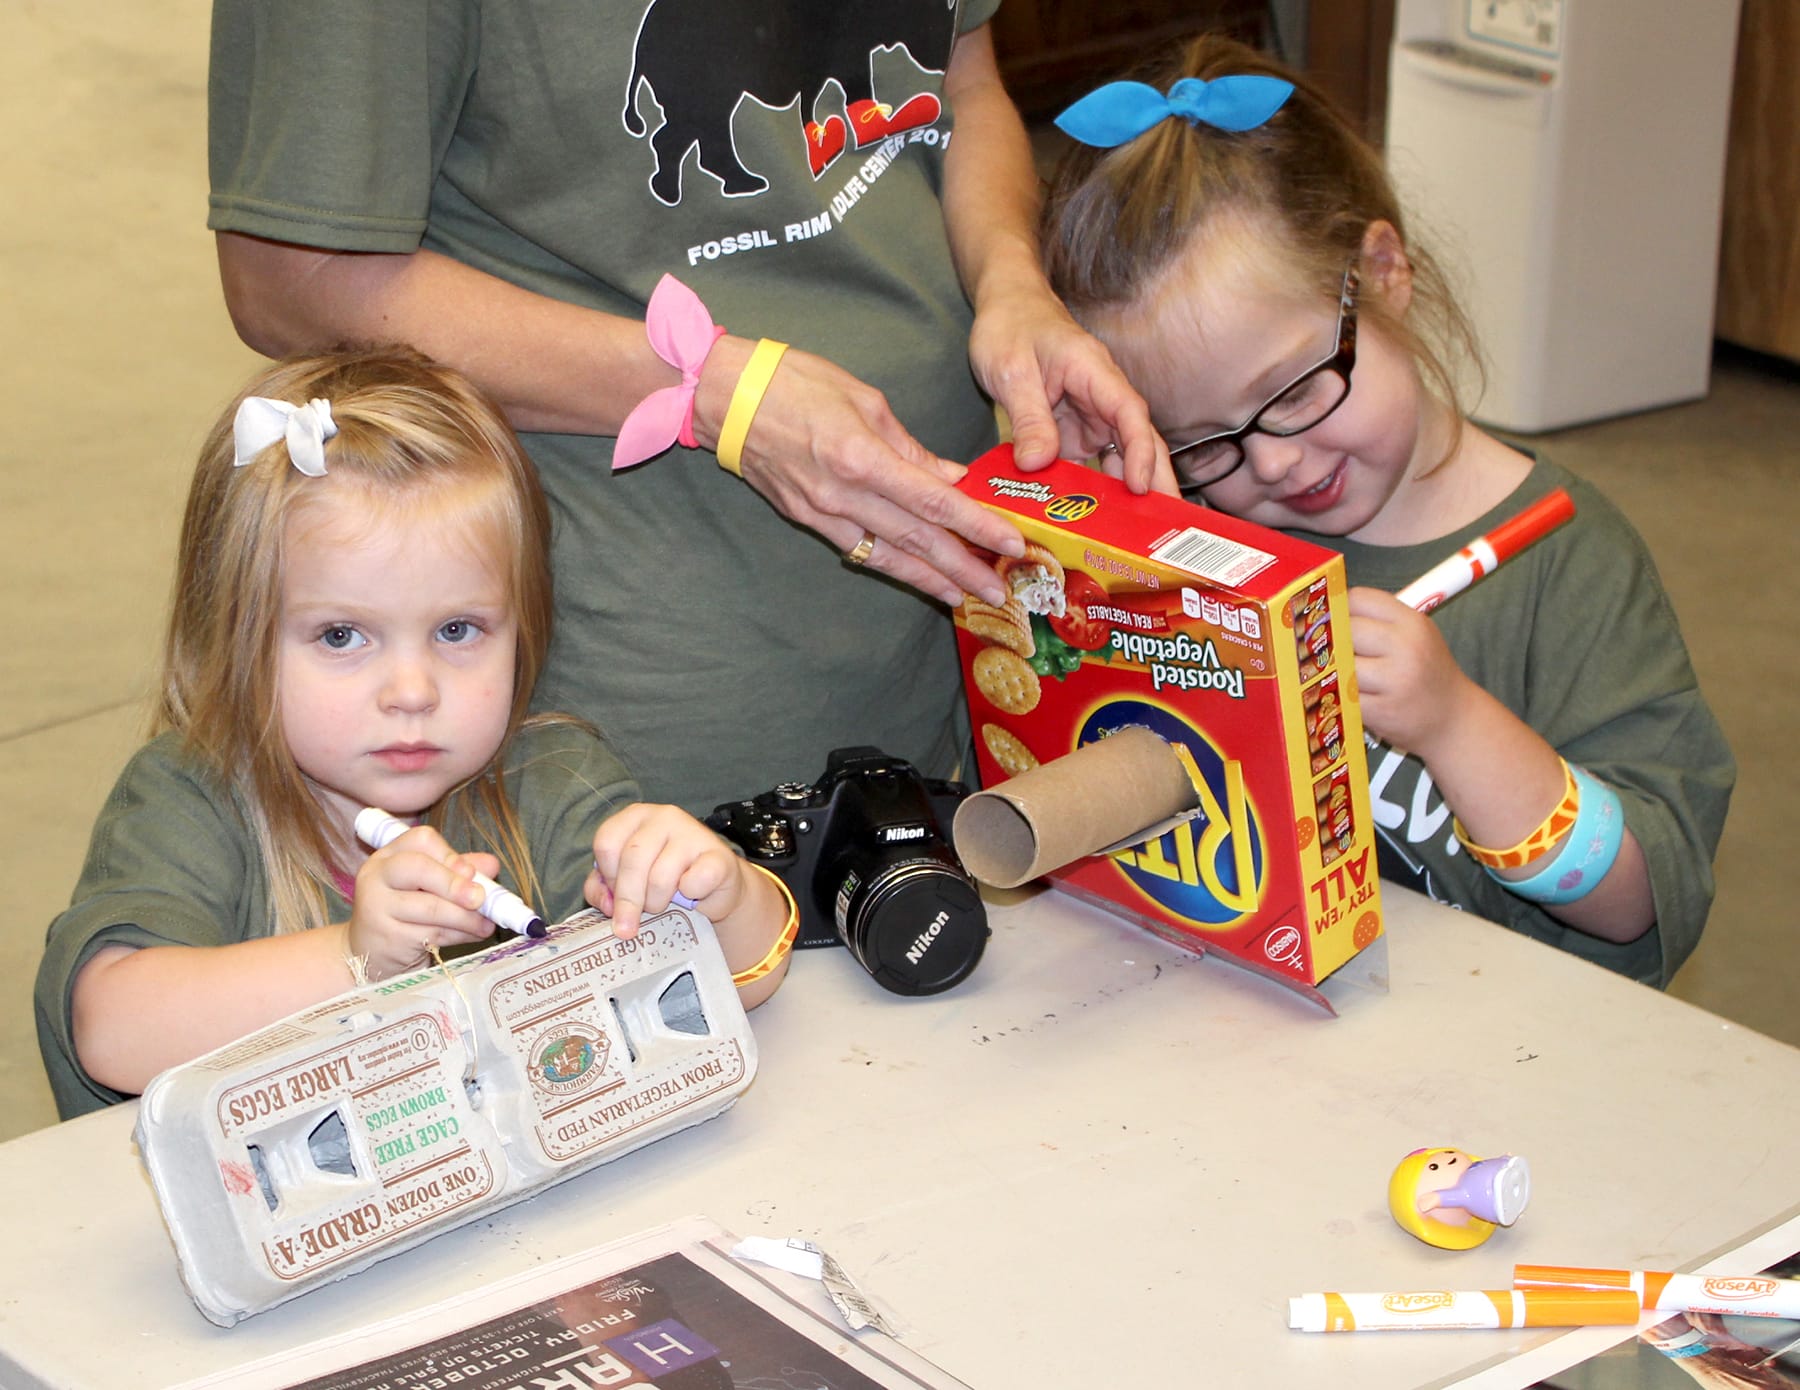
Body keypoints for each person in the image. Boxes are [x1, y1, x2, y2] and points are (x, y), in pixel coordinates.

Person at [205, 1, 1170, 816]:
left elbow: (955, 76)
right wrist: (712, 389)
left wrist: (1013, 281)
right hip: (644, 702)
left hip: (941, 641)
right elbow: (293, 277)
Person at [1038, 35, 1734, 986]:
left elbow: (1643, 902)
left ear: (1385, 271)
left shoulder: (1570, 563)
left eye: (1292, 387)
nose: (1275, 461)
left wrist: (1453, 724)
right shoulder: (1208, 532)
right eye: (1204, 439)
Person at [36, 347, 795, 1119]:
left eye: (459, 629)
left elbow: (746, 982)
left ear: (524, 629)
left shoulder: (553, 777)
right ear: (232, 637)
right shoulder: (190, 795)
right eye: (341, 637)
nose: (412, 692)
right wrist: (356, 958)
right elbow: (111, 1029)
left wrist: (722, 897)